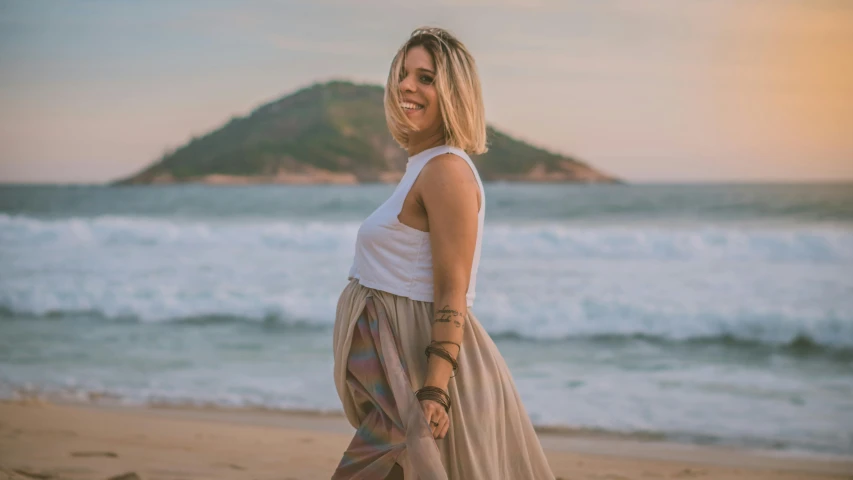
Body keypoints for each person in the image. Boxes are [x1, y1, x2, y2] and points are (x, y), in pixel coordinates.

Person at [332, 26, 555, 480]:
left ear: (454, 92)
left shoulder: (447, 172)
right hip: (396, 373)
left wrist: (434, 390)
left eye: (427, 78)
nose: (407, 86)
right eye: (404, 74)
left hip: (417, 368)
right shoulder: (422, 166)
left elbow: (453, 291)